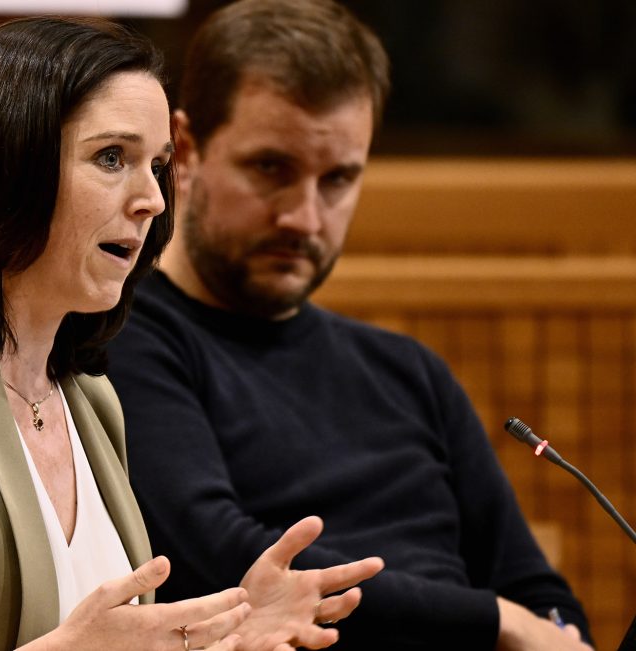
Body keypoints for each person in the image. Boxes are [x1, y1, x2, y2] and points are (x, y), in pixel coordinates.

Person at [0, 15, 383, 651]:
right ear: (4, 171)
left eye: (158, 164)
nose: (153, 199)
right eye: (112, 158)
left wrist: (223, 633)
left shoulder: (84, 395)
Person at [106, 1, 594, 649]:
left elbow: (541, 596)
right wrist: (500, 622)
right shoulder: (127, 337)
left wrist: (544, 627)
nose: (305, 218)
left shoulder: (409, 369)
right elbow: (228, 561)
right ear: (187, 151)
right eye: (271, 169)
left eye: (337, 179)